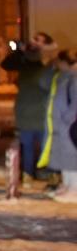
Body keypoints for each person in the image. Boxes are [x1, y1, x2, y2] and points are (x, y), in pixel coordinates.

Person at [1, 33, 56, 186]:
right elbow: (6, 64)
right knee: (28, 145)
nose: (34, 42)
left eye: (38, 40)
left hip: (43, 111)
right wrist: (21, 51)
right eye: (33, 39)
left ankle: (46, 174)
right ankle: (29, 174)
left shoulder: (49, 62)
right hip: (26, 111)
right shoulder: (25, 61)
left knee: (45, 146)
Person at [39, 51, 77, 203]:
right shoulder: (61, 76)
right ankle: (67, 185)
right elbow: (42, 82)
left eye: (59, 62)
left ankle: (74, 189)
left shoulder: (74, 78)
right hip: (60, 125)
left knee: (72, 157)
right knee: (63, 157)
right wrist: (50, 67)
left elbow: (76, 103)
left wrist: (66, 120)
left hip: (69, 126)